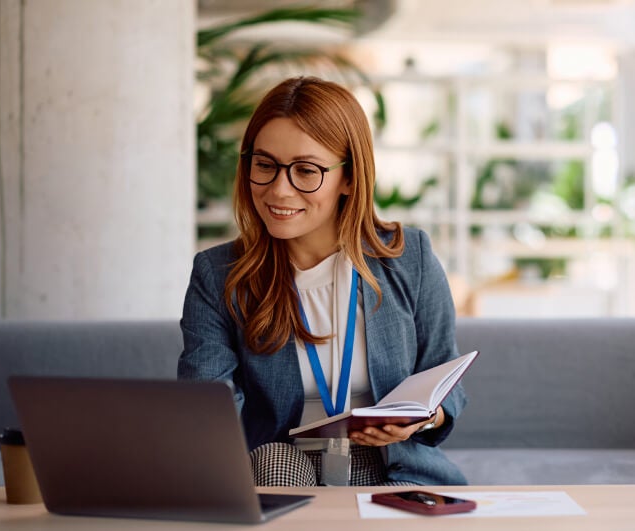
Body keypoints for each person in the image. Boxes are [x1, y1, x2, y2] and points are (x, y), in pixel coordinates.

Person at [178, 76, 468, 487]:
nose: (279, 190)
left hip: (388, 462)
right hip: (281, 461)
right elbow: (204, 404)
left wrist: (421, 419)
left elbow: (445, 377)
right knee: (273, 464)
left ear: (348, 178)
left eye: (305, 171)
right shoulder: (219, 274)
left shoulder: (410, 258)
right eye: (265, 165)